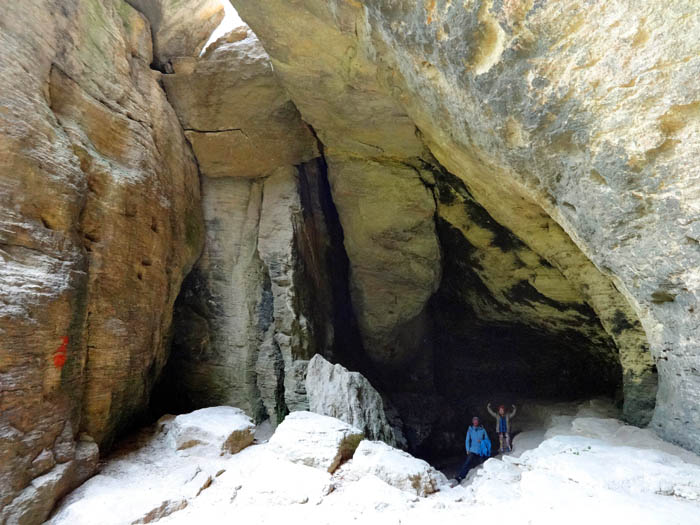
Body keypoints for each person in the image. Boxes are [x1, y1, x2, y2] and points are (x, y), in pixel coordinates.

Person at [454, 416, 491, 483]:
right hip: (472, 450)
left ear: (478, 421)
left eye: (476, 420)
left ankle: (485, 478)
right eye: (474, 420)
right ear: (472, 422)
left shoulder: (482, 430)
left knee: (482, 464)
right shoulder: (470, 430)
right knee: (467, 463)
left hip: (480, 451)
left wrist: (482, 441)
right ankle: (460, 477)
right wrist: (467, 449)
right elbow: (467, 440)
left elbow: (487, 439)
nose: (475, 422)